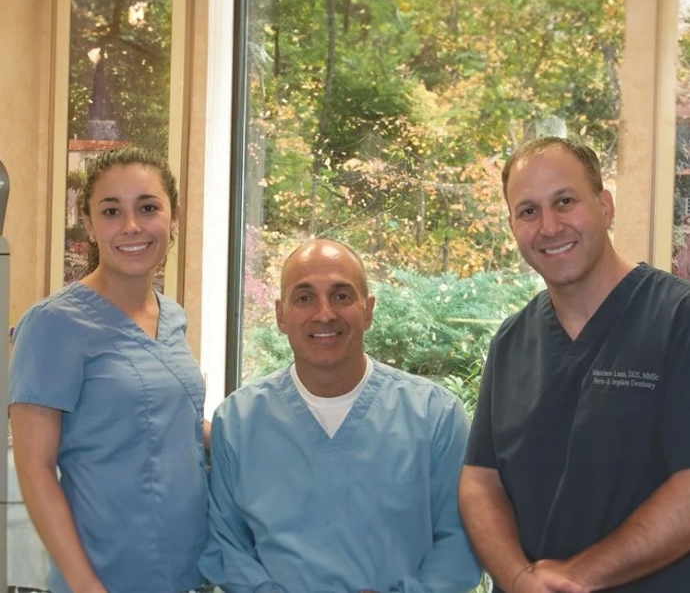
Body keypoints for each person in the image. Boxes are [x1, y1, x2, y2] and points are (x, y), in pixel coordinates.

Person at [458, 136, 690, 593]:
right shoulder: (511, 342)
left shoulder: (676, 320)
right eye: (528, 211)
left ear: (605, 206)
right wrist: (519, 578)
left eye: (565, 201)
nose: (549, 226)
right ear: (512, 225)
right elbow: (481, 482)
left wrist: (574, 578)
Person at [199, 238, 481, 593]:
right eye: (304, 298)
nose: (324, 313)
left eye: (342, 295)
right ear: (280, 315)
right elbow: (226, 546)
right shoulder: (238, 421)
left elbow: (460, 543)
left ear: (369, 310)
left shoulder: (436, 417)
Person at [10, 146, 208, 593]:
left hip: (188, 574)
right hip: (104, 576)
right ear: (89, 224)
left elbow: (177, 426)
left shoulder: (173, 317)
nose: (132, 226)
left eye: (148, 207)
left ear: (173, 218)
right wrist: (86, 586)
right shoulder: (53, 324)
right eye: (112, 211)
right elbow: (34, 467)